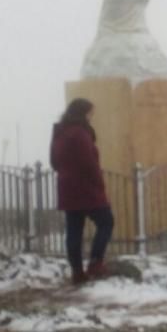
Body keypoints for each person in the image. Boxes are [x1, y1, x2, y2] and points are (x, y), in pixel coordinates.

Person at [50, 99, 114, 285]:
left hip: (67, 188)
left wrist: (67, 171)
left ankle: (77, 272)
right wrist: (99, 184)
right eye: (90, 113)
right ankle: (95, 263)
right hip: (87, 187)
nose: (91, 117)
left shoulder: (59, 132)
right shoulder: (80, 132)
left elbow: (54, 162)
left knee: (74, 230)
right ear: (83, 113)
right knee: (106, 221)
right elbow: (89, 163)